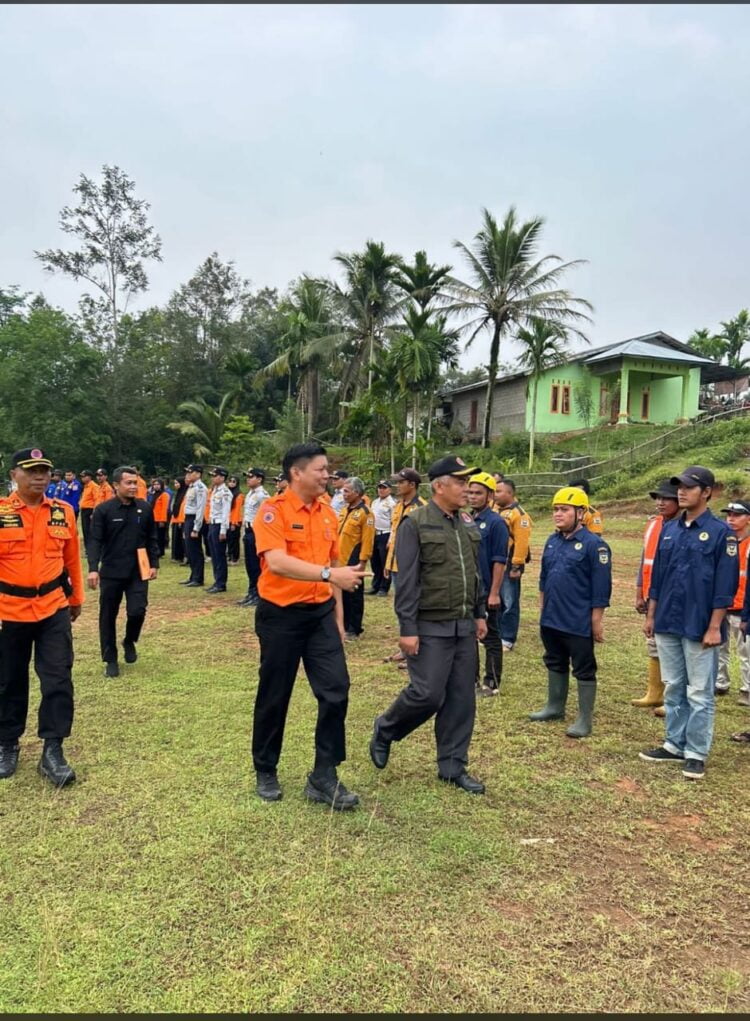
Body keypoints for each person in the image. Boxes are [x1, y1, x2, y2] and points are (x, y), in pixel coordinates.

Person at [251, 441, 364, 809]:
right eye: (320, 469)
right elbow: (279, 563)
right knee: (275, 693)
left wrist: (339, 622)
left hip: (319, 617)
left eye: (328, 469)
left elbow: (338, 576)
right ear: (296, 473)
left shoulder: (329, 513)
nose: (327, 475)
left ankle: (324, 775)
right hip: (280, 616)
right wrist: (331, 573)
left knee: (336, 690)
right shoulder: (272, 511)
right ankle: (265, 767)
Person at [370, 455, 488, 794]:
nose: (468, 489)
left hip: (463, 623)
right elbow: (407, 581)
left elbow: (474, 573)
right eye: (461, 482)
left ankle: (453, 766)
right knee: (427, 693)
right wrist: (407, 628)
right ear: (439, 486)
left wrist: (479, 612)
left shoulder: (467, 522)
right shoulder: (416, 522)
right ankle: (386, 728)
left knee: (461, 698)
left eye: (469, 483)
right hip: (429, 624)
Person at [640, 466, 738, 781]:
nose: (681, 492)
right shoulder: (670, 529)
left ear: (707, 492)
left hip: (699, 623)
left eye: (688, 487)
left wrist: (714, 626)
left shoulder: (722, 533)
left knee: (699, 692)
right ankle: (674, 743)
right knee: (673, 686)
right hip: (668, 619)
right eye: (679, 487)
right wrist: (652, 615)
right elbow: (658, 577)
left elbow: (725, 585)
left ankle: (695, 752)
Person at [0, 448, 84, 787]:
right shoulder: (2, 512)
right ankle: (7, 744)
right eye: (31, 470)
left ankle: (53, 750)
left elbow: (72, 559)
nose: (40, 476)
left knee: (58, 680)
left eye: (45, 470)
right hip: (8, 609)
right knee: (8, 681)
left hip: (52, 607)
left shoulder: (63, 512)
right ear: (14, 475)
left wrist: (75, 598)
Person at [529, 487, 612, 738]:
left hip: (577, 619)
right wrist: (543, 608)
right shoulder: (552, 540)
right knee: (554, 660)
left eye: (564, 510)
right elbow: (544, 577)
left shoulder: (594, 545)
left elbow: (601, 588)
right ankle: (554, 707)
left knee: (583, 667)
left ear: (581, 513)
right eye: (555, 510)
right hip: (552, 617)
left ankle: (584, 719)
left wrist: (596, 621)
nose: (558, 514)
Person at [88, 466, 159, 678]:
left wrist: (154, 563)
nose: (133, 487)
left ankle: (129, 640)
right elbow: (95, 541)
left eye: (135, 482)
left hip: (139, 569)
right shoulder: (103, 510)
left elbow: (152, 538)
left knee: (138, 610)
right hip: (112, 571)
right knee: (107, 616)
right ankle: (110, 659)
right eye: (128, 483)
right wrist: (93, 569)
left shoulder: (144, 508)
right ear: (116, 485)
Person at [632, 480, 680, 712]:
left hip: (672, 595)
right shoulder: (653, 525)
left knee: (672, 646)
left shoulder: (685, 527)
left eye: (666, 498)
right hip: (653, 593)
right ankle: (655, 692)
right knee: (653, 642)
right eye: (658, 498)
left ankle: (673, 696)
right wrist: (640, 591)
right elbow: (645, 561)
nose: (660, 502)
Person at [467, 472, 509, 696]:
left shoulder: (496, 523)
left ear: (490, 495)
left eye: (478, 493)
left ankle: (491, 683)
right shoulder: (467, 519)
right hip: (469, 589)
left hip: (486, 589)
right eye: (470, 492)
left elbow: (499, 561)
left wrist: (494, 593)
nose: (473, 497)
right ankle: (470, 679)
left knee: (491, 636)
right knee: (469, 636)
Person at [714, 500, 750, 700]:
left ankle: (747, 690)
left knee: (746, 652)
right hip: (723, 605)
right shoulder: (724, 543)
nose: (731, 519)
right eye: (729, 515)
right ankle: (720, 683)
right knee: (719, 648)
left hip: (742, 607)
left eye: (737, 515)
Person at [495, 479, 533, 652]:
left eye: (499, 491)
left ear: (510, 493)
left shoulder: (519, 514)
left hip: (510, 562)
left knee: (510, 601)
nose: (495, 494)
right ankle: (496, 633)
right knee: (497, 599)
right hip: (496, 561)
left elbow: (522, 543)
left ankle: (507, 638)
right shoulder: (496, 510)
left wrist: (516, 566)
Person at [337, 478, 375, 640]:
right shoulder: (345, 510)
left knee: (353, 594)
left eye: (347, 491)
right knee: (342, 594)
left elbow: (368, 540)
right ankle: (344, 624)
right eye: (343, 491)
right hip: (340, 558)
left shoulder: (366, 513)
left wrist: (363, 562)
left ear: (357, 493)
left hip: (354, 558)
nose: (343, 494)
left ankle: (354, 627)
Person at [384, 468, 426, 593]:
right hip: (395, 565)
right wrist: (388, 563)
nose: (397, 486)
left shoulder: (422, 508)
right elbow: (393, 535)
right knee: (400, 604)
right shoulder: (397, 506)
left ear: (412, 485)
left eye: (401, 482)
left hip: (412, 567)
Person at [238, 468, 270, 608]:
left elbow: (265, 517)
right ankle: (251, 592)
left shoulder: (263, 495)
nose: (248, 479)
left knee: (256, 565)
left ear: (259, 479)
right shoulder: (251, 493)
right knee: (250, 564)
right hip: (248, 530)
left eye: (251, 477)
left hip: (257, 531)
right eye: (248, 477)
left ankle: (258, 594)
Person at [181, 464, 208, 588]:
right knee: (189, 549)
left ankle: (198, 578)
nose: (187, 475)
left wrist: (196, 527)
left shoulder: (200, 488)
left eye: (190, 472)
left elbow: (200, 508)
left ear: (197, 474)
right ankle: (193, 575)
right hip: (188, 518)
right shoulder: (191, 487)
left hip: (194, 519)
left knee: (195, 549)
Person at [206, 466, 232, 594]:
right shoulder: (214, 491)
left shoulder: (225, 492)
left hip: (219, 525)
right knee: (214, 555)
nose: (212, 478)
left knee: (220, 555)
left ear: (222, 477)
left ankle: (221, 583)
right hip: (212, 524)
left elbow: (225, 513)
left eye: (215, 476)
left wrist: (223, 530)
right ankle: (216, 580)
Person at [369, 480, 396, 596]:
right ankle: (376, 585)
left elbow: (394, 522)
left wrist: (391, 538)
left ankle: (384, 587)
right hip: (374, 534)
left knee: (384, 561)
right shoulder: (374, 502)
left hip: (385, 534)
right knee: (374, 561)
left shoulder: (392, 503)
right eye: (379, 487)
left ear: (389, 489)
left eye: (384, 487)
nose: (381, 489)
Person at [79, 469, 100, 552]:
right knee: (85, 530)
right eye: (81, 477)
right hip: (84, 510)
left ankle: (91, 549)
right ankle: (87, 548)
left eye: (84, 476)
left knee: (89, 531)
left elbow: (97, 500)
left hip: (90, 510)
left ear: (89, 477)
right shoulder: (86, 486)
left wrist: (94, 512)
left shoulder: (94, 486)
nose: (82, 478)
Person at [149, 478, 171, 558]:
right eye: (154, 484)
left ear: (161, 485)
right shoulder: (154, 494)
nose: (156, 486)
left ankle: (160, 552)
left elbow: (164, 508)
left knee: (160, 536)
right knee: (154, 536)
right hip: (154, 518)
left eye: (158, 484)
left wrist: (162, 520)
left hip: (160, 519)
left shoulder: (164, 495)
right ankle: (155, 550)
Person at [170, 477, 188, 564]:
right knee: (175, 538)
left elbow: (183, 508)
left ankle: (184, 556)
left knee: (182, 539)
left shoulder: (185, 493)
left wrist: (181, 520)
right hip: (175, 519)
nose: (175, 485)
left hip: (182, 519)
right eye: (175, 483)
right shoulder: (177, 493)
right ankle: (176, 556)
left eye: (177, 483)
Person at [227, 476, 244, 566]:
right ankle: (229, 556)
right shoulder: (227, 493)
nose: (231, 483)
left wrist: (234, 523)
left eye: (234, 481)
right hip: (227, 519)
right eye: (230, 481)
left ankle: (235, 558)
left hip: (235, 520)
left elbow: (237, 510)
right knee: (229, 539)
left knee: (234, 540)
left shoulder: (239, 495)